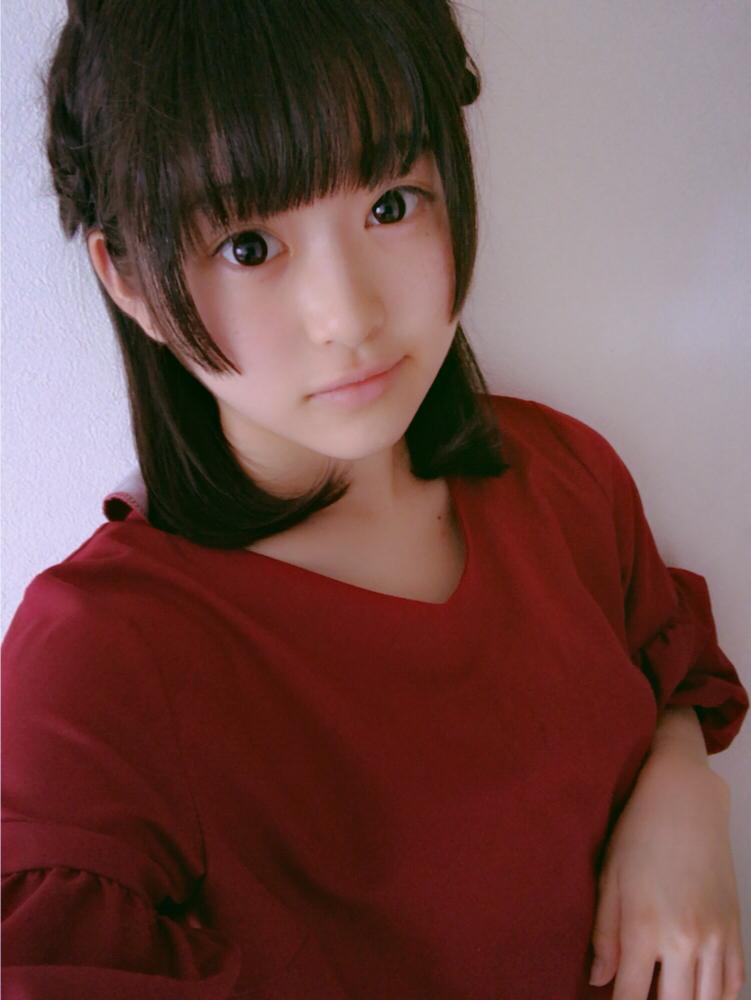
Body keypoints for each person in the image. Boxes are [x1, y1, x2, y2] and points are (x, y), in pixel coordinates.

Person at [2, 1, 748, 997]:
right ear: (130, 279)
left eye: (391, 204)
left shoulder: (558, 476)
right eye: (249, 246)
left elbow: (664, 668)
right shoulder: (102, 661)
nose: (348, 315)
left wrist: (682, 788)